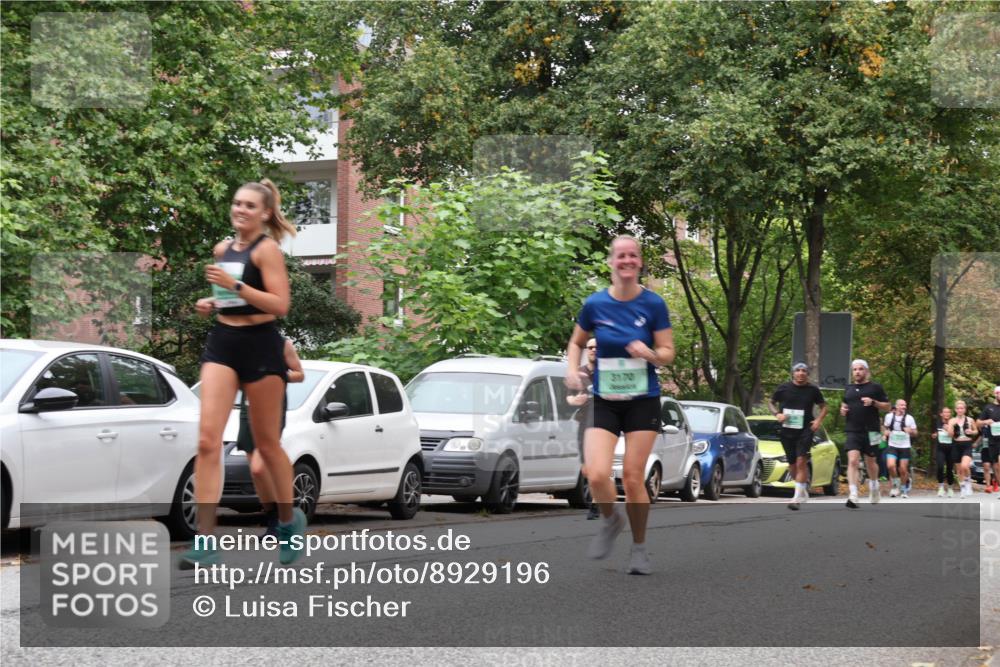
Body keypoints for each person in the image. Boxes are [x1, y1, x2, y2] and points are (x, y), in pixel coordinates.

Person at [182, 179, 305, 569]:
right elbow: (230, 301)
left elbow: (279, 304)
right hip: (223, 342)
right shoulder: (222, 249)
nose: (240, 210)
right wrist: (211, 302)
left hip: (261, 346)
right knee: (206, 441)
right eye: (236, 203)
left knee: (267, 447)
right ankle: (205, 541)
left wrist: (234, 284)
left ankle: (287, 521)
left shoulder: (267, 250)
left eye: (250, 205)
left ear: (265, 213)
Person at [566, 235, 675, 575]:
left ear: (640, 262)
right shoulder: (595, 304)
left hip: (643, 400)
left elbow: (668, 353)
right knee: (596, 473)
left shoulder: (653, 304)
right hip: (605, 400)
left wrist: (651, 354)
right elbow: (576, 341)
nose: (627, 260)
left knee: (631, 477)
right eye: (620, 255)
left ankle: (639, 549)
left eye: (633, 255)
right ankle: (611, 520)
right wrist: (572, 370)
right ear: (611, 262)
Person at [236, 339, 304, 537]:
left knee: (259, 466)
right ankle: (274, 519)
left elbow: (299, 374)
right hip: (248, 408)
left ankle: (283, 518)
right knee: (256, 472)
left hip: (272, 407)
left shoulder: (282, 344)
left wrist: (276, 375)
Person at [768, 362, 828, 510]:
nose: (801, 373)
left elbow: (824, 407)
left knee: (801, 460)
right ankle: (802, 489)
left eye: (804, 371)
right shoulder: (784, 388)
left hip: (805, 430)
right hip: (787, 430)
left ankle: (796, 498)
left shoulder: (812, 390)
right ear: (793, 373)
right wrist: (777, 414)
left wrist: (818, 420)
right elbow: (770, 402)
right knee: (792, 465)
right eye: (798, 371)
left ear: (807, 374)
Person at [840, 359, 890, 509]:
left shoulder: (875, 387)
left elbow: (888, 406)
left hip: (872, 431)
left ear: (866, 371)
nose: (857, 372)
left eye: (861, 369)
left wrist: (873, 402)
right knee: (853, 461)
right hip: (853, 430)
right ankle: (853, 494)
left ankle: (874, 486)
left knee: (871, 462)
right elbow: (844, 404)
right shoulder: (848, 388)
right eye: (855, 369)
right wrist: (843, 410)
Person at [566, 337, 600, 520]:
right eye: (591, 347)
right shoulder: (579, 374)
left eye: (597, 347)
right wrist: (574, 401)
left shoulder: (609, 373)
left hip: (605, 423)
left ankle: (596, 504)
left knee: (600, 466)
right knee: (587, 469)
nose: (594, 350)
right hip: (584, 424)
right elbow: (568, 398)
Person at [883, 399, 918, 498]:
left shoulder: (909, 418)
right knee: (890, 466)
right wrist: (885, 433)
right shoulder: (889, 417)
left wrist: (910, 431)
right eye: (902, 405)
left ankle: (903, 489)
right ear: (897, 406)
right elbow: (885, 427)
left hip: (905, 447)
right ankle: (895, 485)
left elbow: (916, 433)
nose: (904, 407)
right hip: (892, 445)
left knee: (903, 469)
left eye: (905, 405)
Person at [949, 400, 978, 498]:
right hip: (956, 445)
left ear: (965, 409)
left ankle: (968, 481)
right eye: (958, 408)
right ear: (955, 410)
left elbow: (976, 431)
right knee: (959, 469)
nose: (960, 410)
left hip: (967, 444)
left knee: (965, 466)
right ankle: (963, 488)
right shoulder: (952, 421)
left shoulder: (970, 420)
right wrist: (951, 429)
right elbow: (950, 435)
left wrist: (971, 431)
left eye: (962, 408)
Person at [977, 386, 1000, 494]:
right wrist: (986, 421)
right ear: (995, 394)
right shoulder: (988, 408)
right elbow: (978, 423)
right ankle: (996, 485)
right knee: (995, 466)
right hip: (992, 441)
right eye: (999, 393)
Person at [934, 406, 957, 497]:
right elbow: (936, 432)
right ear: (941, 414)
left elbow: (956, 436)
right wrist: (935, 434)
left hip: (951, 449)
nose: (947, 414)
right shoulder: (938, 423)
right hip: (940, 449)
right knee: (940, 467)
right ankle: (941, 488)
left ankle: (950, 488)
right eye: (945, 412)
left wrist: (949, 429)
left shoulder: (954, 423)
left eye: (948, 412)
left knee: (949, 469)